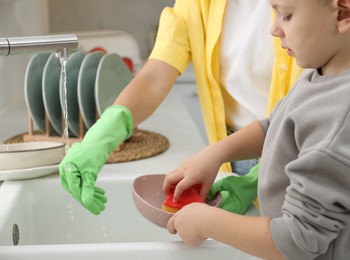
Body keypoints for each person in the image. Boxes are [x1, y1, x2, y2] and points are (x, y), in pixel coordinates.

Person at [163, 0, 350, 259]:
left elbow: (296, 240)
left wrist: (206, 222)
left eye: (286, 15)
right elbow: (276, 125)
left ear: (343, 13)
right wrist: (215, 153)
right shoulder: (323, 76)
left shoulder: (345, 114)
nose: (274, 29)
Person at [59, 0, 302, 215]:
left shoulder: (314, 8)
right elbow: (155, 75)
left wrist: (259, 177)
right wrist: (100, 137)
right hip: (229, 159)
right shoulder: (197, 3)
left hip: (298, 158)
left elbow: (325, 108)